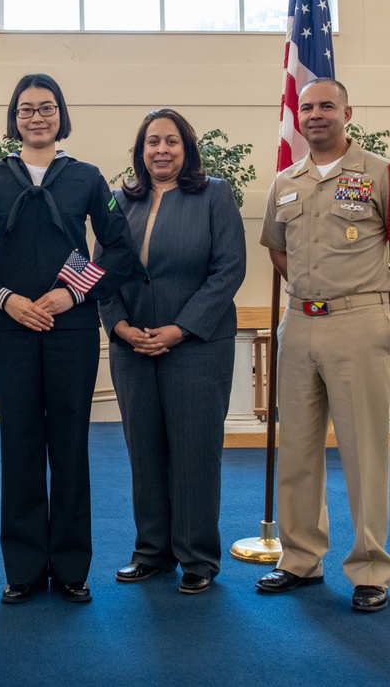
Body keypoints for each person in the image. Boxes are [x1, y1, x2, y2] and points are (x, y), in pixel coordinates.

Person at [0, 73, 134, 605]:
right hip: (10, 329)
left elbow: (117, 248)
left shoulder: (87, 177)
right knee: (22, 444)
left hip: (70, 329)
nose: (37, 117)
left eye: (46, 108)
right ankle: (25, 569)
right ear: (14, 117)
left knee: (71, 445)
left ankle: (73, 567)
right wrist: (4, 298)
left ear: (61, 116)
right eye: (27, 109)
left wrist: (71, 294)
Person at [257, 78, 390, 612]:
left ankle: (370, 569)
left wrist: (377, 300)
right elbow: (277, 250)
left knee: (363, 450)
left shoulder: (383, 174)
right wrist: (310, 299)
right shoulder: (286, 181)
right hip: (299, 322)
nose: (315, 115)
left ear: (347, 112)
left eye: (326, 106)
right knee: (298, 450)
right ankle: (300, 559)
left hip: (359, 324)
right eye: (306, 106)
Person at [99, 109, 247, 595]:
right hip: (132, 346)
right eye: (151, 142)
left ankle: (198, 558)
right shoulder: (119, 201)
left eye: (171, 141)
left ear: (187, 149)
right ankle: (151, 553)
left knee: (195, 452)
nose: (160, 150)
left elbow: (228, 270)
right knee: (144, 450)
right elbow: (101, 271)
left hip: (197, 345)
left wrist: (180, 329)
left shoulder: (214, 195)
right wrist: (119, 326)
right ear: (140, 152)